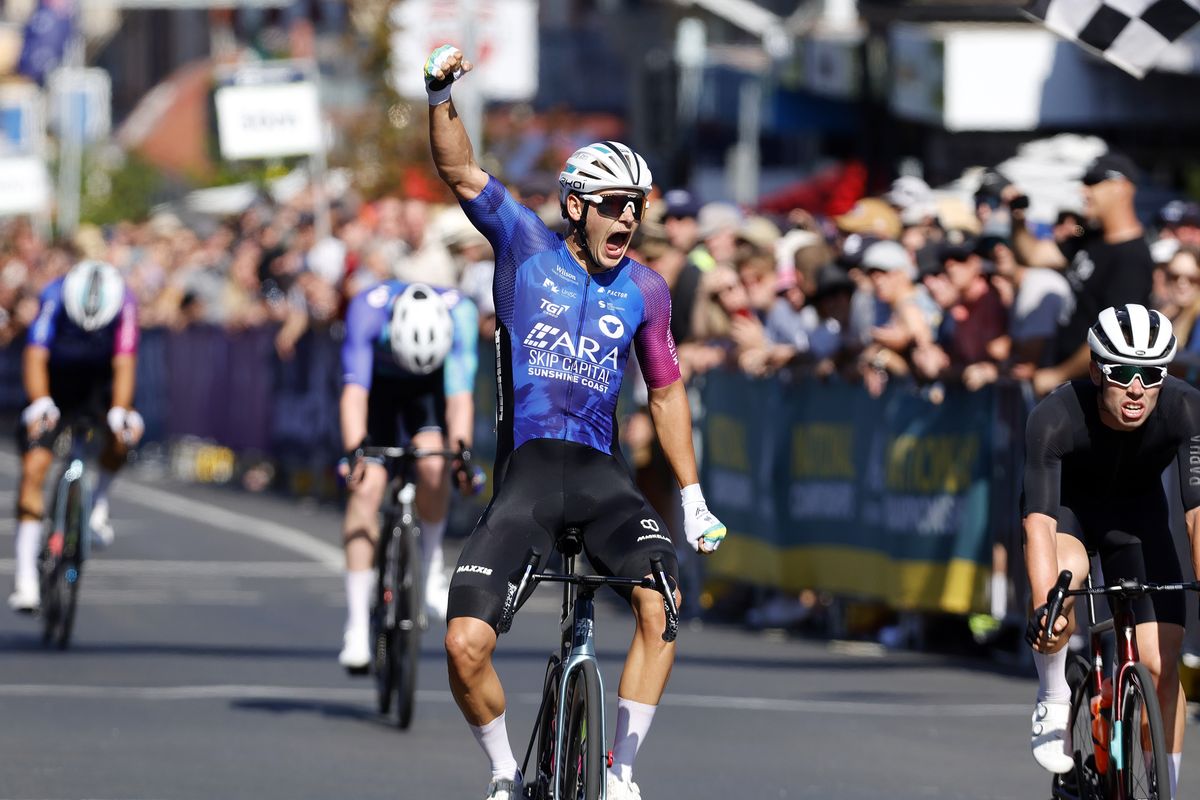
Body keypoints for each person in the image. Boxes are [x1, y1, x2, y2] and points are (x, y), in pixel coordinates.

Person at [424, 44, 727, 800]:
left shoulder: (649, 291)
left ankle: (622, 771)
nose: (629, 217)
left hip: (601, 479)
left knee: (664, 602)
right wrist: (438, 94)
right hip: (526, 478)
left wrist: (691, 495)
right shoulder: (523, 249)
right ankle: (504, 772)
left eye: (638, 205)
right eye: (615, 205)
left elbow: (665, 395)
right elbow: (462, 172)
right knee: (464, 646)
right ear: (575, 207)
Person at [1022, 303, 1199, 799]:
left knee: (1162, 667)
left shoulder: (1186, 409)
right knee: (1066, 580)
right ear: (1098, 371)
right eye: (1122, 373)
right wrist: (1045, 606)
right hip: (1067, 511)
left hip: (1136, 518)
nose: (1137, 388)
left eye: (1151, 373)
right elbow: (1038, 524)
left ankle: (1165, 786)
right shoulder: (1054, 416)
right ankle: (1055, 694)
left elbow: (1198, 514)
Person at [336, 279, 479, 670]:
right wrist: (355, 455)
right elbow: (354, 394)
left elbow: (459, 398)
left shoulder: (461, 313)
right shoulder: (367, 309)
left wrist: (461, 457)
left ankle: (430, 568)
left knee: (434, 464)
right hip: (377, 388)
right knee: (367, 488)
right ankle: (355, 627)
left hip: (428, 390)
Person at [9, 259, 143, 612]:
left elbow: (125, 361)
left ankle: (97, 503)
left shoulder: (125, 302)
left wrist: (119, 409)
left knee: (124, 435)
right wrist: (40, 402)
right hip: (56, 380)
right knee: (35, 465)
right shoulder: (54, 295)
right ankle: (25, 579)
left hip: (99, 382)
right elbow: (35, 353)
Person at [1009, 153, 1154, 396]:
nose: (1083, 191)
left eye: (1093, 182)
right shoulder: (1088, 237)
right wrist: (1017, 217)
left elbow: (1116, 336)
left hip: (1096, 390)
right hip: (1070, 383)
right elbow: (1033, 255)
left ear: (1122, 188)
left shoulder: (1133, 258)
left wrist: (1059, 374)